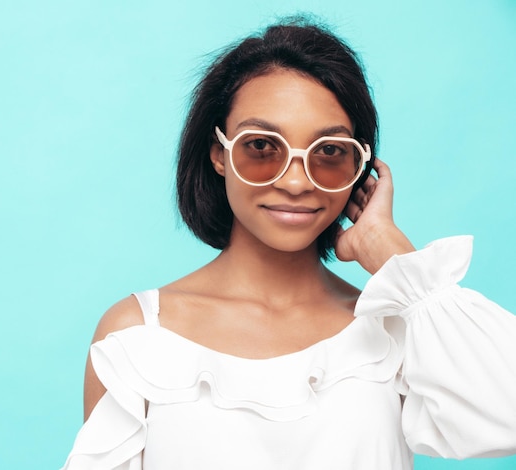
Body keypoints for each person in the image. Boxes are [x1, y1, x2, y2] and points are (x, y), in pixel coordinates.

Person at [61, 17, 516, 469]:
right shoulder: (138, 336)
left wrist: (395, 255)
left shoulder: (395, 330)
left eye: (329, 152)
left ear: (360, 167)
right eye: (262, 147)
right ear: (219, 153)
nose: (297, 182)